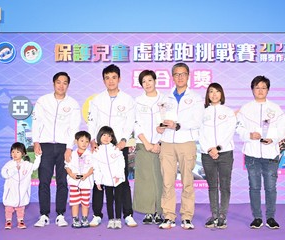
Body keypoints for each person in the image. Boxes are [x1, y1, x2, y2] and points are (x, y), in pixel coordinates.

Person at [87, 64, 137, 227]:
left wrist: (123, 140)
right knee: (99, 180)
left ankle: (127, 214)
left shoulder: (127, 100)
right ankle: (97, 214)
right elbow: (92, 121)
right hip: (100, 147)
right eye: (107, 78)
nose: (111, 81)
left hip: (118, 146)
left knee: (122, 179)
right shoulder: (97, 100)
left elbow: (130, 122)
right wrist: (93, 140)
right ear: (103, 80)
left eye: (114, 77)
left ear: (119, 79)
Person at [235, 75, 285, 229]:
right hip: (252, 154)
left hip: (271, 154)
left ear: (268, 90)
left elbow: (283, 128)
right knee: (254, 187)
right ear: (252, 89)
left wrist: (273, 138)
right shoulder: (245, 108)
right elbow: (239, 128)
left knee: (271, 187)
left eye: (263, 88)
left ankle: (271, 217)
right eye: (257, 87)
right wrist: (249, 135)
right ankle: (257, 217)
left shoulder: (276, 109)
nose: (260, 90)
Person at [157, 63, 204, 230]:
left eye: (183, 74)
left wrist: (178, 125)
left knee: (187, 181)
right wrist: (160, 127)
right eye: (176, 74)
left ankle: (186, 216)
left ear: (188, 76)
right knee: (167, 182)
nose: (180, 77)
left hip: (186, 142)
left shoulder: (196, 98)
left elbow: (198, 121)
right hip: (168, 143)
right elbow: (160, 119)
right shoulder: (164, 98)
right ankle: (168, 216)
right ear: (172, 77)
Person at [32, 72, 81, 227]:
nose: (61, 85)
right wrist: (36, 141)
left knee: (62, 182)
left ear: (68, 85)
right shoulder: (43, 101)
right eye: (58, 82)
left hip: (62, 147)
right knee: (44, 181)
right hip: (45, 145)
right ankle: (44, 215)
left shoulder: (73, 103)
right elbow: (36, 122)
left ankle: (60, 214)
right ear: (53, 83)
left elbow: (74, 127)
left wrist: (68, 147)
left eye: (65, 83)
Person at [199, 83, 236, 229]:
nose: (214, 94)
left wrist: (218, 148)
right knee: (212, 186)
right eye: (211, 92)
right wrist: (209, 149)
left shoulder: (228, 112)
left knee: (225, 185)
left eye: (217, 91)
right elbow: (199, 133)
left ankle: (222, 216)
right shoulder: (202, 112)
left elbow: (229, 132)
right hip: (207, 154)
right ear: (208, 95)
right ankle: (214, 215)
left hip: (225, 153)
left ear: (222, 94)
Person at [133, 70, 165, 225]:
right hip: (143, 143)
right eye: (144, 81)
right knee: (145, 179)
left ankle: (159, 211)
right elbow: (135, 123)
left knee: (160, 178)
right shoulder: (137, 101)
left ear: (155, 80)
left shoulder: (165, 100)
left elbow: (168, 122)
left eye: (150, 80)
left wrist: (159, 143)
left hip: (162, 145)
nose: (147, 84)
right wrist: (146, 143)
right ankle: (147, 211)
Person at [1, 142, 41, 230]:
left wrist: (38, 157)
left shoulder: (26, 165)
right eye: (13, 152)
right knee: (9, 207)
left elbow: (35, 166)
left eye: (18, 152)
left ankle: (20, 221)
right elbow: (4, 174)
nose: (15, 154)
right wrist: (14, 170)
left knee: (21, 207)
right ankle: (8, 221)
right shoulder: (9, 164)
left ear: (23, 153)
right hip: (11, 191)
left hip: (22, 191)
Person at [92, 126, 125, 229]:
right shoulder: (97, 152)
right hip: (106, 181)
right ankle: (111, 219)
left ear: (112, 138)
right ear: (99, 136)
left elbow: (121, 163)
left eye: (109, 136)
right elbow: (96, 168)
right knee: (109, 200)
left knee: (118, 200)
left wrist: (118, 176)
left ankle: (118, 219)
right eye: (104, 135)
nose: (106, 138)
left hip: (118, 180)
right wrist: (98, 181)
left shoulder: (116, 149)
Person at [64, 131, 94, 228]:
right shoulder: (71, 154)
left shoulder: (91, 154)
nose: (84, 143)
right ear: (76, 141)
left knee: (85, 202)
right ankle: (75, 219)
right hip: (74, 183)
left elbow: (93, 167)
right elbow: (67, 166)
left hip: (86, 182)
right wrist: (71, 174)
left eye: (86, 141)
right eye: (81, 141)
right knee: (75, 202)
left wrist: (87, 175)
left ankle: (85, 219)